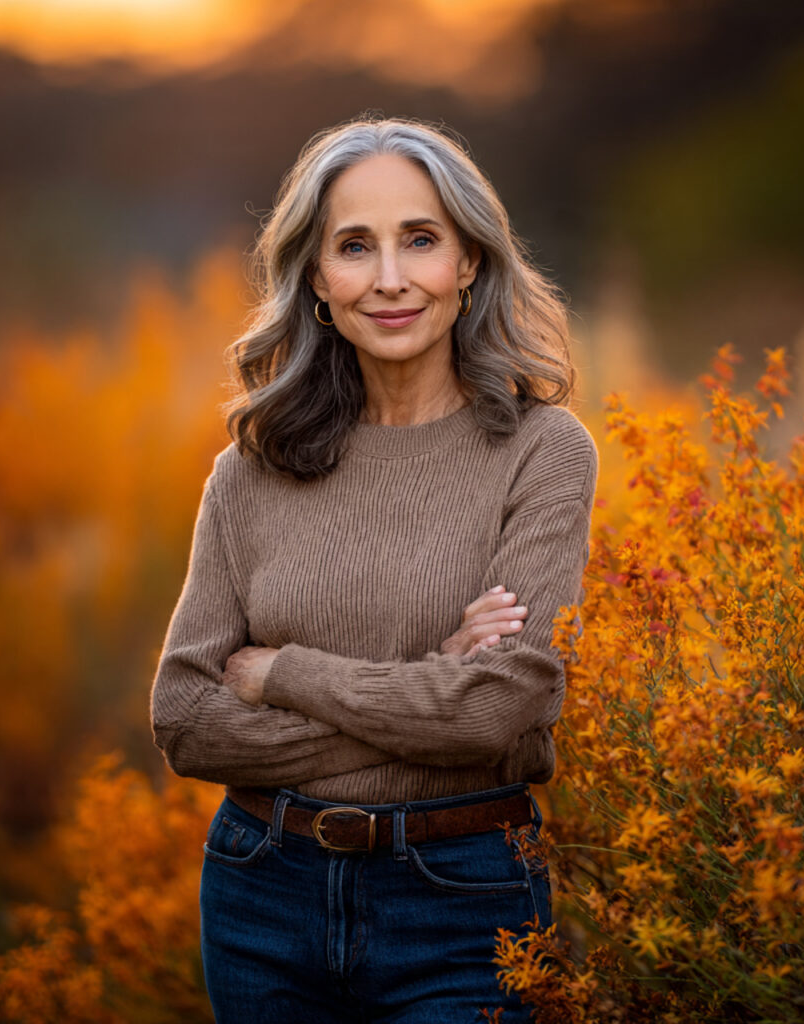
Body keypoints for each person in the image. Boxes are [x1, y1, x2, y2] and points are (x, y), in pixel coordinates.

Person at [150, 116, 597, 1023]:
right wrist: (439, 687)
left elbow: (506, 706)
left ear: (468, 261)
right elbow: (187, 722)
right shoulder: (252, 467)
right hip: (260, 889)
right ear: (317, 277)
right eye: (355, 246)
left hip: (463, 896)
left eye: (420, 240)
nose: (390, 279)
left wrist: (285, 675)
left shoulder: (542, 452)